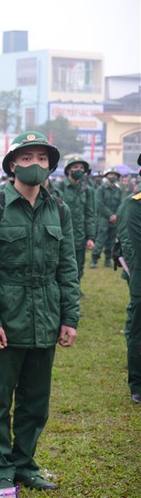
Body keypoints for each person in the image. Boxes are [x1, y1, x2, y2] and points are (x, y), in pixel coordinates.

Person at [0, 131, 79, 491]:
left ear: (50, 165)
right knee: (0, 398)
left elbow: (68, 268)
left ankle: (25, 463)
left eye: (42, 159)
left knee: (36, 400)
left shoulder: (59, 209)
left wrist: (69, 317)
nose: (35, 165)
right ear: (13, 164)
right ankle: (0, 467)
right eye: (27, 159)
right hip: (6, 315)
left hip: (45, 314)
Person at [117, 153, 141, 405]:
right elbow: (133, 247)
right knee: (138, 330)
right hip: (140, 277)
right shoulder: (134, 205)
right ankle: (138, 383)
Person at [57, 155, 95, 286]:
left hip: (79, 235)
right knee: (60, 264)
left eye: (81, 168)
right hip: (61, 235)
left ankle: (75, 289)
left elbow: (90, 214)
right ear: (68, 170)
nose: (79, 170)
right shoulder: (59, 187)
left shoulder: (87, 190)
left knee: (79, 265)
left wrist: (90, 237)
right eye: (75, 167)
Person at [91, 168, 123, 269]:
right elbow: (99, 204)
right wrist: (110, 215)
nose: (113, 177)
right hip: (103, 219)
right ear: (107, 176)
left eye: (115, 175)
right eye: (111, 175)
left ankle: (108, 260)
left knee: (111, 241)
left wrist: (116, 215)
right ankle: (94, 259)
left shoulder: (118, 190)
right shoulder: (101, 189)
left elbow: (121, 204)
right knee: (100, 239)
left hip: (114, 220)